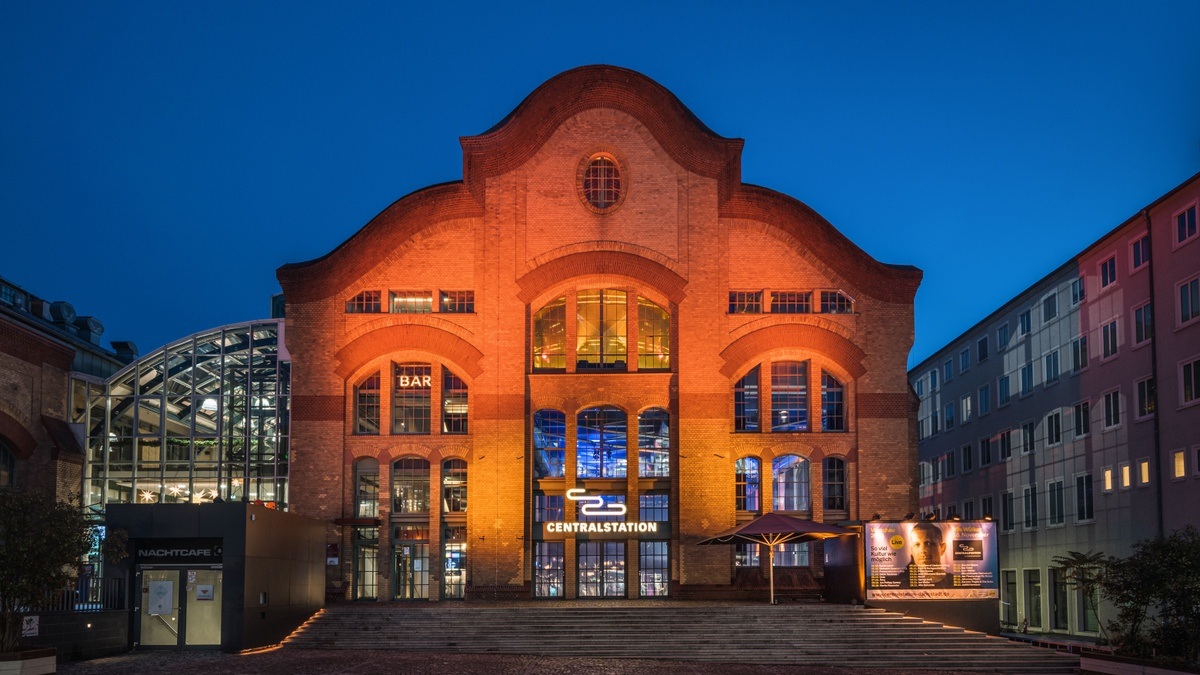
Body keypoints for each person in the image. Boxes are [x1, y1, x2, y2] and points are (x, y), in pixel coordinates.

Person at [905, 522, 954, 588]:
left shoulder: (953, 582)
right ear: (911, 550)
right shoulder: (904, 583)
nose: (923, 550)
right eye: (916, 544)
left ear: (942, 548)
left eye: (929, 543)